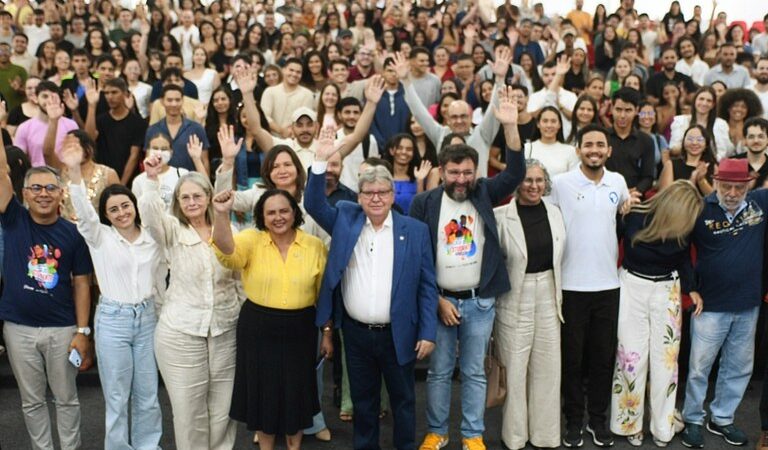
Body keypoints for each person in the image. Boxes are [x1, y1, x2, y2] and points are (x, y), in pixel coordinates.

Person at [305, 125, 438, 450]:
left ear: (393, 196)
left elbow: (426, 285)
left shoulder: (415, 230)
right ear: (359, 197)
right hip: (357, 334)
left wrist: (428, 331)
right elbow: (313, 204)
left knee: (404, 402)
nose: (376, 198)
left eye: (382, 192)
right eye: (369, 193)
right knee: (364, 404)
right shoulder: (346, 218)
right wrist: (320, 160)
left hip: (400, 333)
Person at [410, 86, 525, 450]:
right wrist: (437, 300)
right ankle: (438, 432)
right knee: (440, 372)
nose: (461, 179)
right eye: (454, 172)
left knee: (474, 372)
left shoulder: (484, 193)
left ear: (477, 171)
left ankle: (473, 435)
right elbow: (418, 259)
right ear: (442, 170)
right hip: (441, 302)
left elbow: (516, 173)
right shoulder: (424, 203)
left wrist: (509, 127)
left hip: (479, 303)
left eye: (468, 172)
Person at [59, 135, 163, 450]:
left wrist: (154, 179)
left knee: (147, 394)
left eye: (125, 205)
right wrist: (74, 170)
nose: (120, 213)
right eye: (113, 209)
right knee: (117, 395)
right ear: (106, 214)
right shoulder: (99, 236)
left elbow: (157, 208)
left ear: (134, 206)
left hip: (147, 319)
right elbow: (82, 209)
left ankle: (147, 446)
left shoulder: (152, 237)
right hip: (113, 320)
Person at [138, 156, 242, 450]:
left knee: (223, 412)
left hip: (226, 331)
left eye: (198, 195)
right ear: (178, 202)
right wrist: (151, 178)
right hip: (180, 333)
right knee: (188, 412)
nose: (192, 201)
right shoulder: (172, 230)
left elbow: (240, 281)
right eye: (185, 197)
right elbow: (149, 214)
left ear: (209, 198)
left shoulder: (231, 232)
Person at [211, 187, 326, 450]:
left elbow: (323, 295)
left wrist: (327, 332)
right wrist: (220, 214)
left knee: (296, 395)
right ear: (261, 217)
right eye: (271, 212)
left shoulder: (314, 246)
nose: (278, 217)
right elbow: (227, 253)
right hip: (258, 327)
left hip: (301, 328)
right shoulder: (251, 239)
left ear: (294, 212)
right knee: (264, 394)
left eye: (284, 210)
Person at [0, 135, 93, 450]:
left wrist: (82, 330)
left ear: (61, 193)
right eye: (35, 188)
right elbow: (1, 173)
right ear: (23, 193)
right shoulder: (13, 220)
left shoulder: (73, 234)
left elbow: (81, 283)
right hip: (18, 329)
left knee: (66, 399)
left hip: (62, 329)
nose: (43, 194)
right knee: (32, 401)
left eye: (50, 187)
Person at [551, 124, 636, 448]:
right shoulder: (560, 183)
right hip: (571, 286)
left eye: (600, 145)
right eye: (588, 145)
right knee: (572, 361)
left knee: (602, 359)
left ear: (609, 150)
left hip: (608, 285)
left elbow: (624, 213)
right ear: (578, 149)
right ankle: (573, 421)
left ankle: (597, 421)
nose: (595, 150)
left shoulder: (618, 182)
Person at [680, 158, 768, 448]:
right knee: (698, 367)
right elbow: (680, 251)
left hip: (747, 303)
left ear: (748, 185)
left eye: (738, 187)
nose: (731, 193)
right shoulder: (700, 208)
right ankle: (693, 418)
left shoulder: (760, 204)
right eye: (726, 186)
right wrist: (690, 288)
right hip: (711, 304)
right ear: (715, 183)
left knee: (739, 366)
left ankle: (722, 418)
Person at [610, 181, 704, 447]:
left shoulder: (684, 226)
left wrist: (692, 289)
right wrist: (621, 213)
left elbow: (685, 258)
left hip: (667, 290)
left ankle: (663, 426)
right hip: (631, 286)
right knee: (631, 357)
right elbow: (612, 238)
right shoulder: (635, 215)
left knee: (666, 362)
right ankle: (629, 422)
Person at [494, 159, 566, 450]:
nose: (534, 186)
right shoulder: (500, 216)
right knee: (514, 370)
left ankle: (545, 436)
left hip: (549, 292)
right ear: (516, 184)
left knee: (548, 369)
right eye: (527, 180)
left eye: (539, 180)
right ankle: (514, 438)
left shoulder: (555, 213)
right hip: (514, 296)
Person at [396, 50, 510, 179]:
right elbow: (418, 112)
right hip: (449, 197)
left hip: (479, 196)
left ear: (471, 117)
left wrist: (500, 79)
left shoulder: (483, 133)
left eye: (463, 116)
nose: (459, 120)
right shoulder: (440, 134)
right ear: (447, 119)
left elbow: (494, 108)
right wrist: (405, 80)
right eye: (454, 117)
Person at [84, 77, 146, 186]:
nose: (110, 97)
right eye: (107, 93)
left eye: (114, 92)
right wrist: (91, 106)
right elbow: (88, 140)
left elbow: (134, 156)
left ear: (125, 93)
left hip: (128, 181)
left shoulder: (137, 122)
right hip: (101, 178)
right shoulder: (100, 120)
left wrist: (121, 184)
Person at [144, 85, 210, 174]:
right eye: (169, 100)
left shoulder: (196, 128)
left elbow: (204, 161)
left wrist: (206, 185)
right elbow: (148, 160)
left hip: (190, 182)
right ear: (162, 101)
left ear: (183, 100)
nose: (174, 104)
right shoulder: (153, 130)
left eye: (177, 100)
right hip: (161, 182)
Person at [14, 81, 78, 167]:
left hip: (65, 176)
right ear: (36, 98)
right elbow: (19, 160)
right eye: (45, 96)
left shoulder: (71, 125)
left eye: (54, 97)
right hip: (36, 177)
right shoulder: (24, 128)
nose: (50, 101)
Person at [605, 88, 656, 196]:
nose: (622, 115)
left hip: (634, 198)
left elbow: (648, 176)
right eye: (618, 109)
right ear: (611, 109)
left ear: (636, 111)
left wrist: (636, 191)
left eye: (628, 110)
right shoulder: (602, 137)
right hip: (603, 195)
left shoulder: (646, 141)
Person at [260, 57, 315, 138]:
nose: (294, 74)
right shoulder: (270, 91)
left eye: (298, 72)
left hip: (296, 140)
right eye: (291, 70)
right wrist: (281, 130)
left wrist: (291, 132)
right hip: (270, 139)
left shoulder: (307, 94)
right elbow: (264, 117)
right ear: (283, 70)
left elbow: (305, 120)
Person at [524, 106, 579, 177]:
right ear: (538, 124)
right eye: (545, 121)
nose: (549, 125)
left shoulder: (570, 151)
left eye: (553, 121)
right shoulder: (527, 148)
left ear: (559, 125)